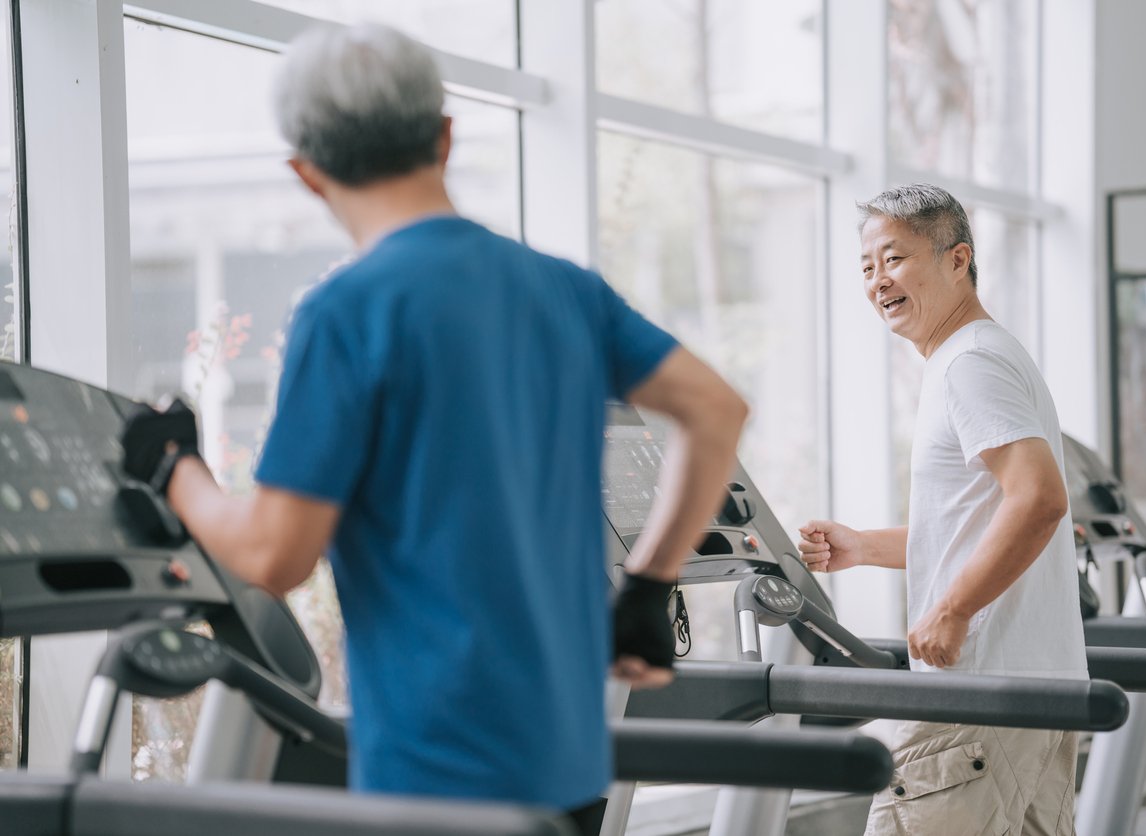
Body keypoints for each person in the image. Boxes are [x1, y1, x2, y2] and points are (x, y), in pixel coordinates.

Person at [118, 23, 747, 836]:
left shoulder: (346, 311)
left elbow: (274, 555)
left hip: (437, 770)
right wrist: (650, 585)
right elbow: (717, 410)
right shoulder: (562, 290)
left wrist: (175, 469)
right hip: (567, 756)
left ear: (306, 173)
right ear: (444, 137)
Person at [799, 184, 1087, 836]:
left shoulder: (970, 363)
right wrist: (864, 546)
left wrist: (953, 608)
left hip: (978, 697)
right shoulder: (984, 354)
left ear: (958, 259)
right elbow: (981, 520)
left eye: (894, 259)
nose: (878, 281)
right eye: (867, 267)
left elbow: (1038, 500)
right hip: (1034, 695)